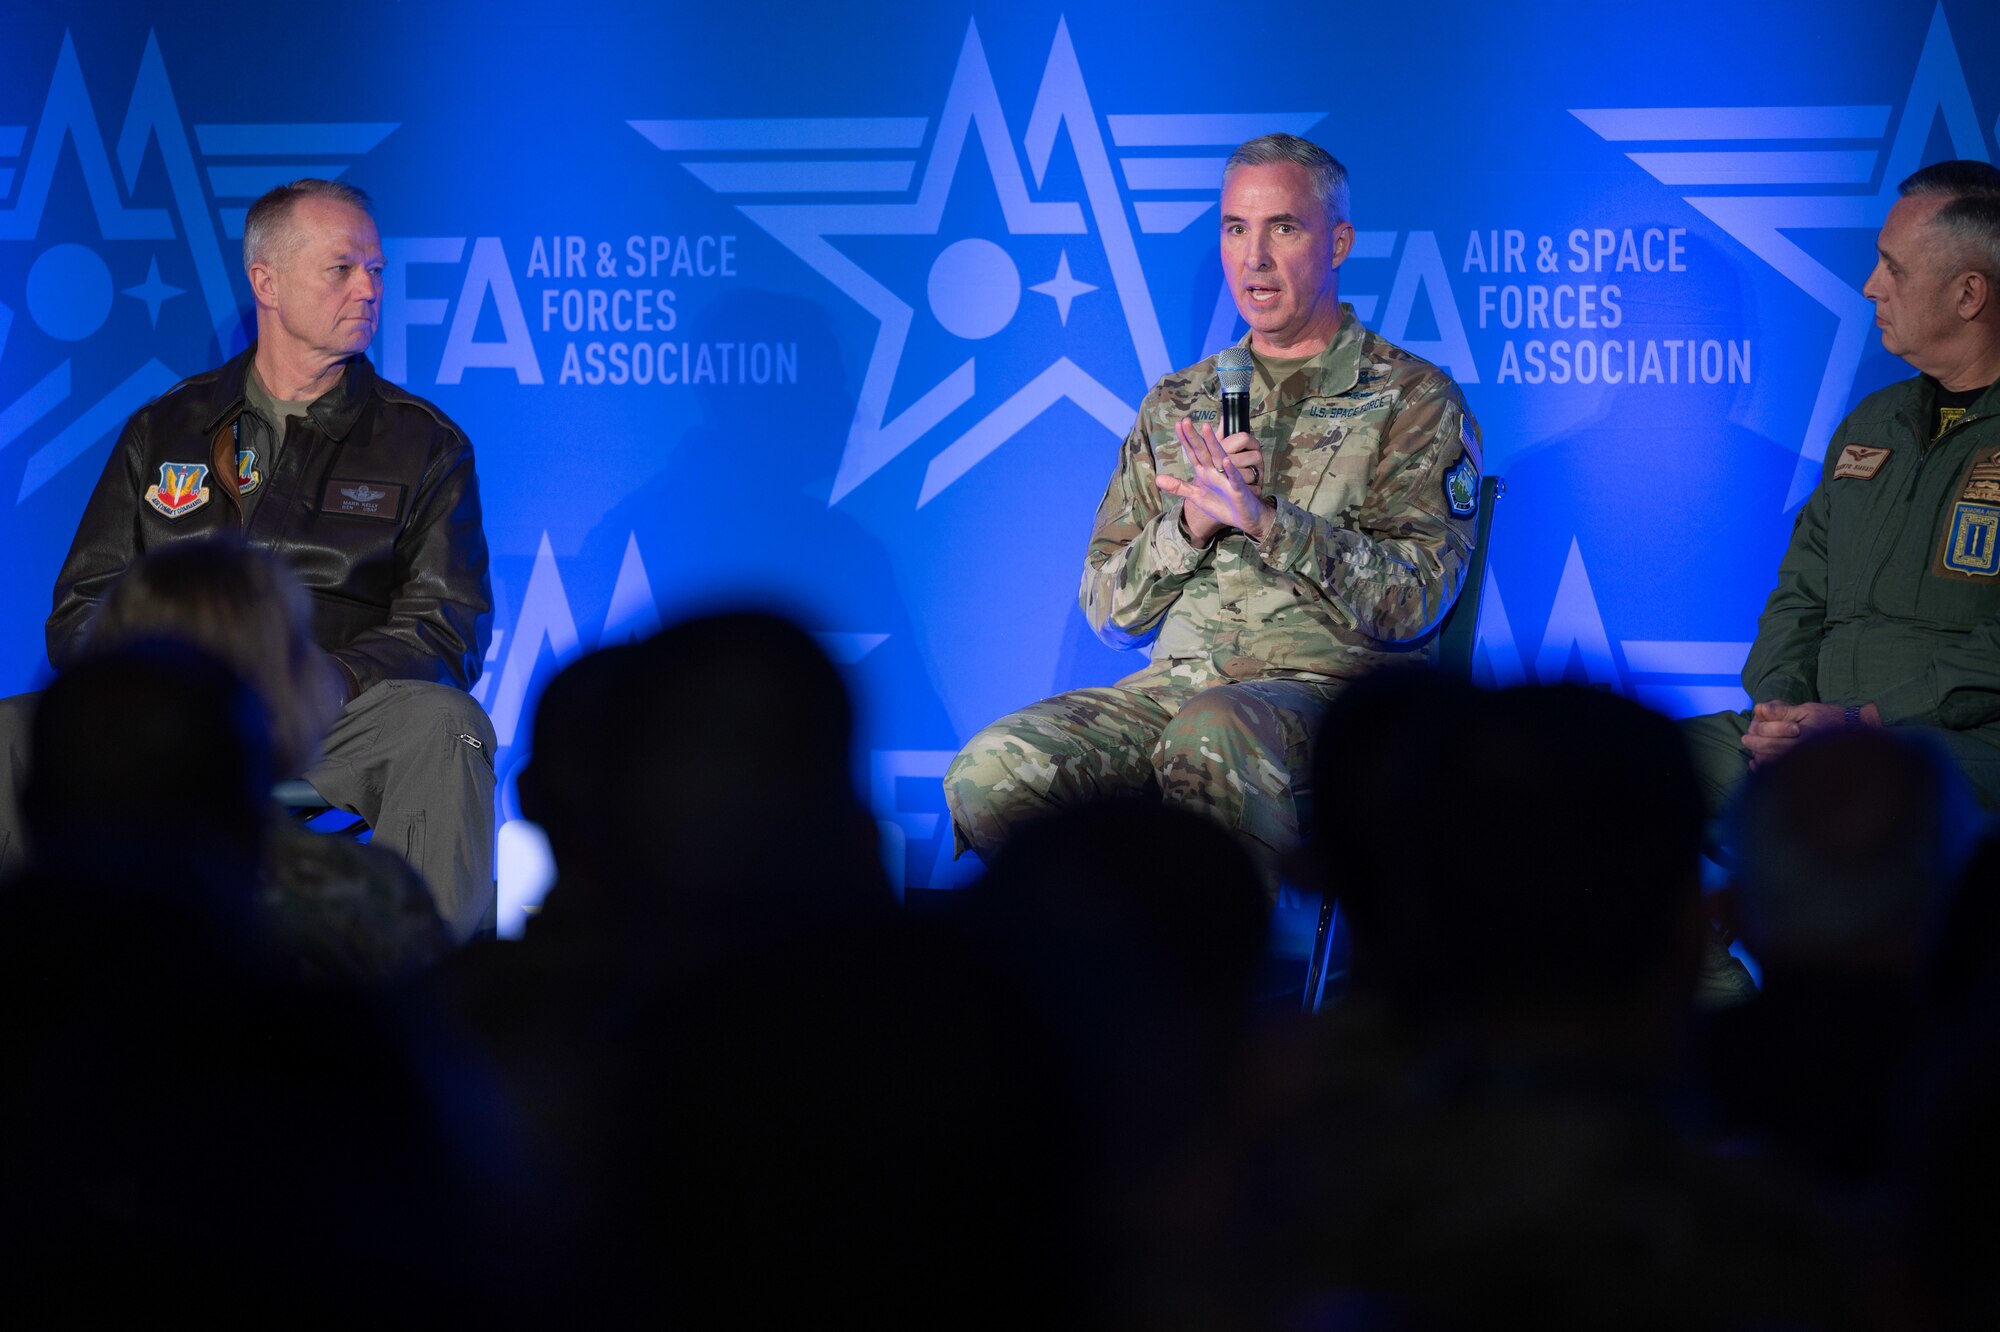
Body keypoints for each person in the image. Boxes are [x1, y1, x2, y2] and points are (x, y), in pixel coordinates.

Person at [944, 133, 1482, 889]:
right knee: (994, 767)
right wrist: (1191, 527)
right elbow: (1110, 611)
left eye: (1282, 228)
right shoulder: (1178, 402)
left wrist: (1270, 521)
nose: (1253, 258)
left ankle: (1220, 986)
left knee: (1214, 731)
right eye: (1235, 228)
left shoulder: (1412, 399)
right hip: (1176, 691)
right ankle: (1107, 969)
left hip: (1333, 701)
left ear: (1338, 242)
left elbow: (1416, 602)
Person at [1, 178, 495, 938]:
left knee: (444, 723)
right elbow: (82, 606)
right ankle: (40, 1003)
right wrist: (160, 681)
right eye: (342, 268)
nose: (368, 288)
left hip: (331, 714)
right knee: (12, 731)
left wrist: (326, 677)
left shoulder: (424, 442)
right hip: (167, 714)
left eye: (377, 271)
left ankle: (442, 1010)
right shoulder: (165, 427)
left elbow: (444, 623)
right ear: (265, 281)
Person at [1683, 160, 2000, 815]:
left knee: (1859, 799)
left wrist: (1865, 725)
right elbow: (1799, 594)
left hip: (1956, 746)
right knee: (1619, 770)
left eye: (1894, 269)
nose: (1869, 286)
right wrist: (1781, 709)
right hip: (1816, 737)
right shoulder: (1871, 423)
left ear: (1969, 295)